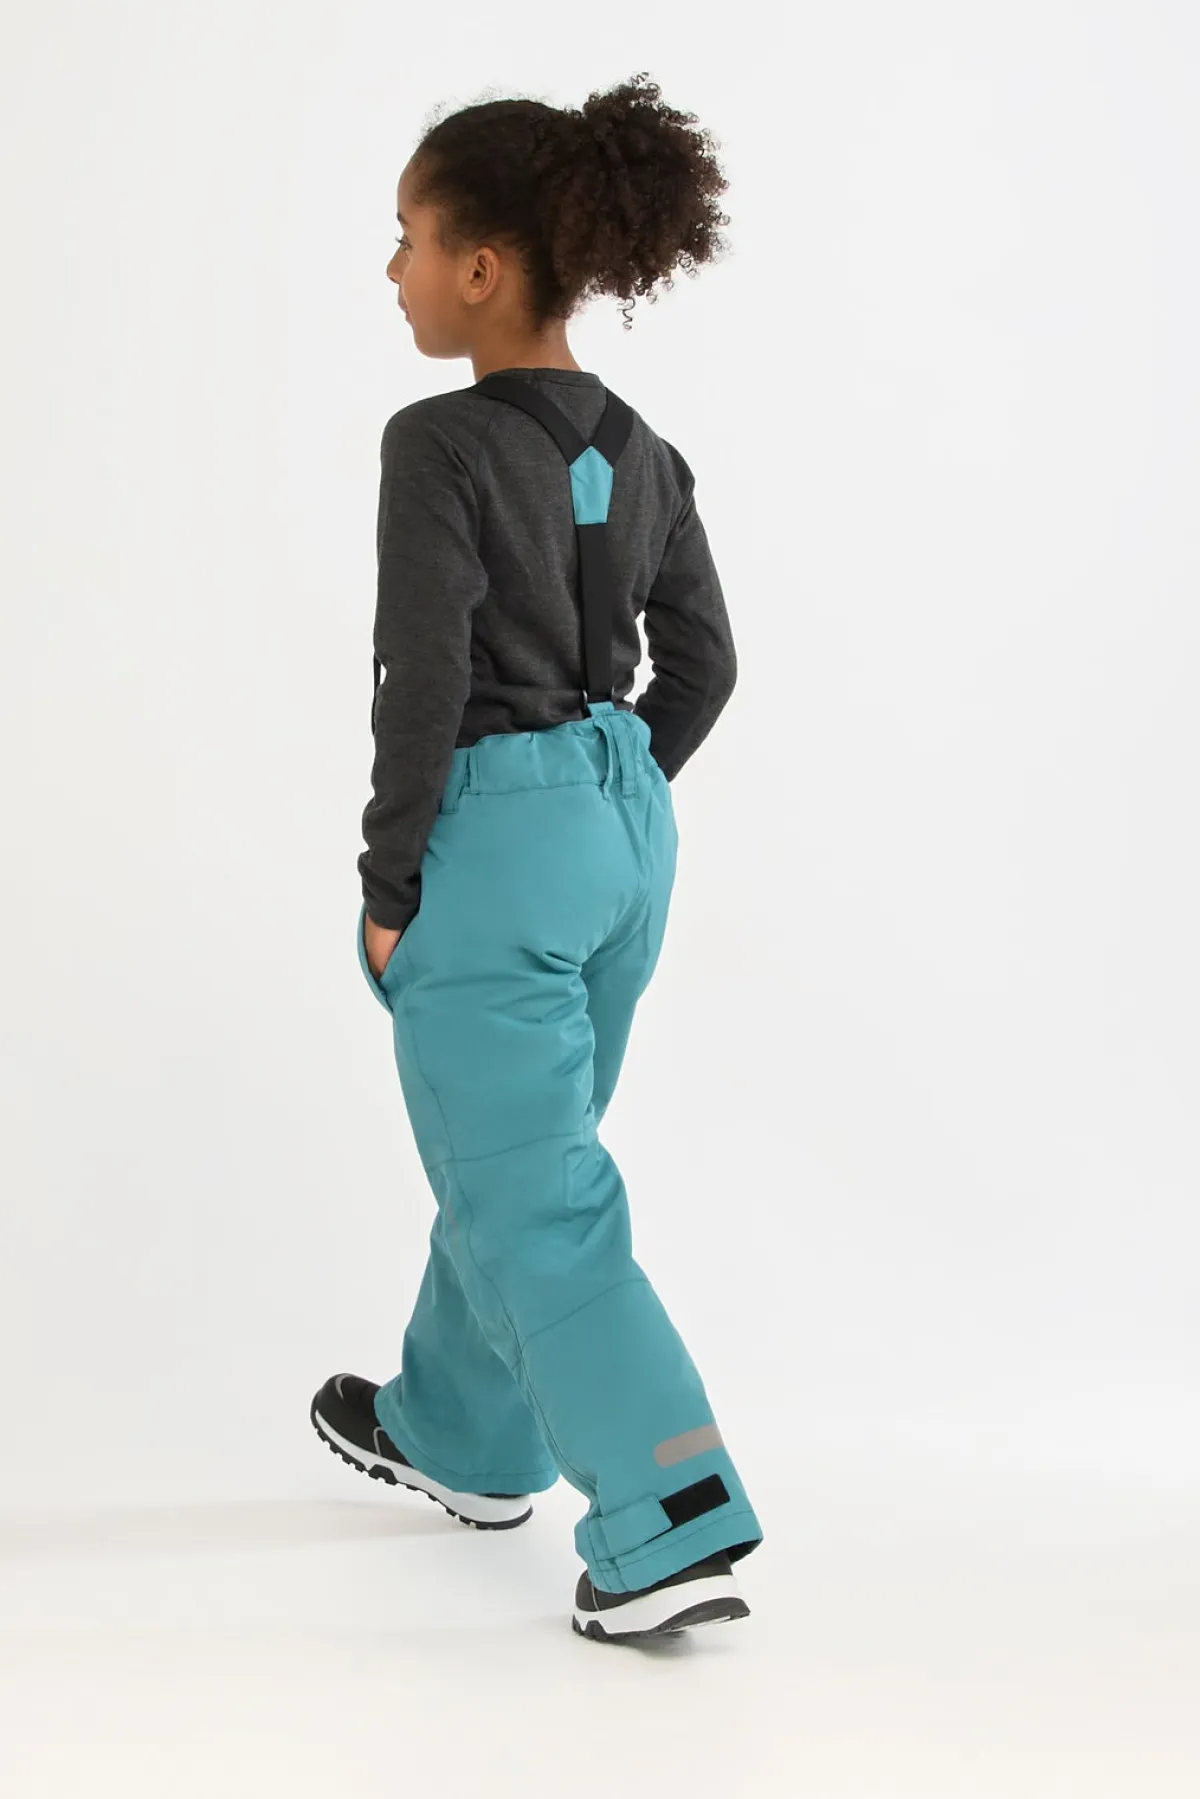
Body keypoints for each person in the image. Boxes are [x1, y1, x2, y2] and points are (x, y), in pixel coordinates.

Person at [310, 71, 764, 1644]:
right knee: (525, 1165)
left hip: (498, 841)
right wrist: (605, 782)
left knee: (539, 1199)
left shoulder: (436, 442)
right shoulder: (646, 448)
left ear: (485, 265)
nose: (394, 270)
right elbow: (704, 663)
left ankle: (669, 1518)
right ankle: (460, 1431)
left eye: (409, 237)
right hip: (626, 841)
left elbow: (425, 674)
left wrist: (390, 884)